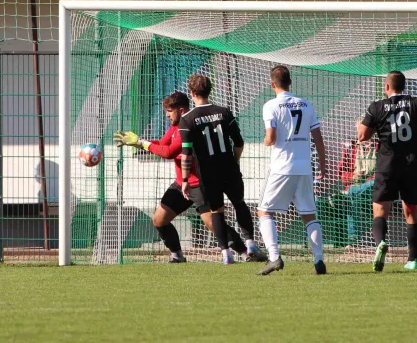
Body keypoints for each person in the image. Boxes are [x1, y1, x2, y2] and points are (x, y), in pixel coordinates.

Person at [114, 91, 267, 264]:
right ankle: (177, 256)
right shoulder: (174, 126)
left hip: (198, 184)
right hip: (181, 184)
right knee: (159, 219)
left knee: (212, 224)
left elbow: (169, 152)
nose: (167, 114)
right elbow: (163, 144)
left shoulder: (187, 126)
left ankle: (247, 252)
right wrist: (139, 142)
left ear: (181, 109)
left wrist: (142, 143)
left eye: (170, 111)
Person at [177, 75, 266, 265]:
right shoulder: (224, 112)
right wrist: (233, 162)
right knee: (239, 204)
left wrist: (185, 180)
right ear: (211, 90)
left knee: (217, 212)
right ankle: (250, 244)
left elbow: (186, 153)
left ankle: (226, 254)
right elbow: (239, 143)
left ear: (192, 93)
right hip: (229, 168)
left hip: (208, 174)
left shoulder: (187, 119)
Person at [257, 65, 327, 275]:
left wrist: (266, 142)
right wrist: (322, 165)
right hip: (304, 168)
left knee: (264, 211)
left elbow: (271, 137)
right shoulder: (306, 104)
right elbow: (318, 139)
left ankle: (274, 257)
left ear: (272, 84)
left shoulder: (271, 106)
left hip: (282, 168)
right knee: (309, 215)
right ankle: (319, 260)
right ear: (290, 82)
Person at [357, 71, 417, 272]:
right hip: (412, 163)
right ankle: (412, 259)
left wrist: (364, 126)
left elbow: (363, 136)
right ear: (405, 87)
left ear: (387, 87)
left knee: (380, 210)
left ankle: (381, 243)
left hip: (387, 164)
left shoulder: (377, 107)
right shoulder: (415, 103)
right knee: (411, 211)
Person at [338, 118, 377, 245]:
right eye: (359, 129)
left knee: (353, 192)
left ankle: (353, 237)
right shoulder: (351, 147)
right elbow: (341, 174)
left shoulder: (379, 145)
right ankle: (354, 239)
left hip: (374, 186)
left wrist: (367, 178)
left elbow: (384, 171)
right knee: (353, 195)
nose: (362, 132)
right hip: (356, 186)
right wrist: (354, 177)